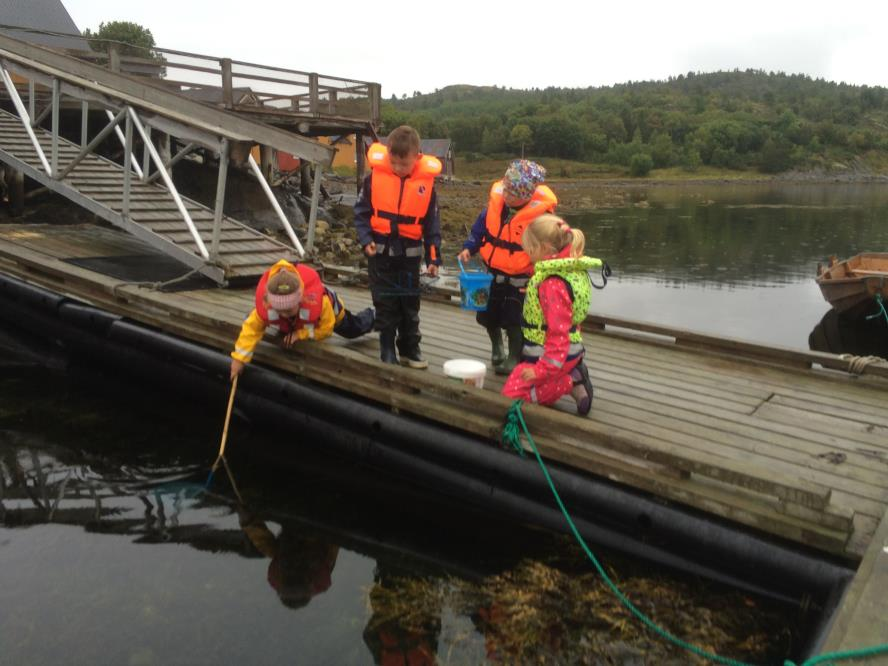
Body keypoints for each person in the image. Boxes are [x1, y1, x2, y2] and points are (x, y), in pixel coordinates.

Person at [354, 125, 442, 368]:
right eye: (394, 163)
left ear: (418, 157)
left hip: (410, 257)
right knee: (385, 302)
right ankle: (386, 348)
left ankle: (409, 348)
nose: (398, 168)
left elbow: (432, 225)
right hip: (380, 254)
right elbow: (361, 214)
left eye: (404, 165)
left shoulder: (427, 188)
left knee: (409, 303)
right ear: (388, 154)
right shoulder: (372, 180)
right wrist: (365, 239)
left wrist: (433, 258)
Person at [457, 160, 556, 375]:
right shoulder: (494, 209)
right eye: (507, 191)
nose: (508, 197)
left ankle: (514, 356)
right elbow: (478, 232)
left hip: (520, 280)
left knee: (514, 320)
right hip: (491, 275)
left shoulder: (541, 218)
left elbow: (551, 244)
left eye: (514, 194)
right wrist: (468, 248)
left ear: (528, 194)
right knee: (486, 315)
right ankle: (496, 348)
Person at [501, 215, 599, 416]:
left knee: (512, 396)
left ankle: (567, 381)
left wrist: (541, 371)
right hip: (573, 348)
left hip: (551, 353)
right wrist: (535, 293)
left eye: (530, 249)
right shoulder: (570, 269)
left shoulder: (552, 285)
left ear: (545, 248)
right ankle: (573, 375)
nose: (527, 254)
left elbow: (557, 334)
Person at [230, 259, 374, 379]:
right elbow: (251, 330)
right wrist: (239, 360)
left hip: (329, 318)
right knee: (253, 320)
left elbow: (326, 330)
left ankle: (375, 315)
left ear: (300, 300)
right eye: (280, 311)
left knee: (354, 329)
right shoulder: (268, 305)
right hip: (292, 325)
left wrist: (300, 334)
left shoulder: (320, 303)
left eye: (289, 310)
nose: (285, 314)